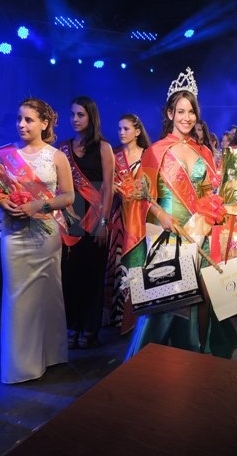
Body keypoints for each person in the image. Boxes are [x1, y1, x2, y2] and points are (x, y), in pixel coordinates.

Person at [125, 67, 237, 360]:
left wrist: (215, 210)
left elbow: (208, 192)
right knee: (166, 298)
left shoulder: (204, 151)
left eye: (191, 111)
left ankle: (194, 352)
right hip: (166, 232)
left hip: (197, 231)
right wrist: (161, 215)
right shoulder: (155, 151)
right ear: (169, 114)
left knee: (200, 296)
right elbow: (143, 197)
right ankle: (152, 358)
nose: (187, 117)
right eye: (180, 111)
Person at [0, 97, 75, 384]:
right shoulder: (5, 155)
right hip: (14, 235)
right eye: (19, 119)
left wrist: (38, 205)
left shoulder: (56, 156)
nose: (21, 124)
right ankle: (21, 365)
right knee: (17, 298)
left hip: (45, 235)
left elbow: (69, 196)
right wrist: (2, 202)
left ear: (44, 123)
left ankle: (51, 355)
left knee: (48, 295)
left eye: (28, 119)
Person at [57, 96, 114, 350]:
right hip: (70, 215)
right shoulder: (63, 148)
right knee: (70, 275)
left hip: (94, 215)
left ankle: (90, 328)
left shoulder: (103, 147)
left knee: (92, 275)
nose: (75, 119)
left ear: (91, 117)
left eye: (80, 115)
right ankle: (72, 325)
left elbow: (108, 188)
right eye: (72, 114)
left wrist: (103, 222)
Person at [106, 113, 150, 335]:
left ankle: (137, 315)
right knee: (117, 263)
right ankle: (118, 316)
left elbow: (154, 187)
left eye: (126, 129)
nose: (121, 133)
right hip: (118, 216)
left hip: (140, 219)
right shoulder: (113, 155)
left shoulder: (148, 155)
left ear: (137, 131)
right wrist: (111, 188)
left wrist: (143, 192)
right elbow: (103, 184)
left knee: (138, 264)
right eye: (119, 129)